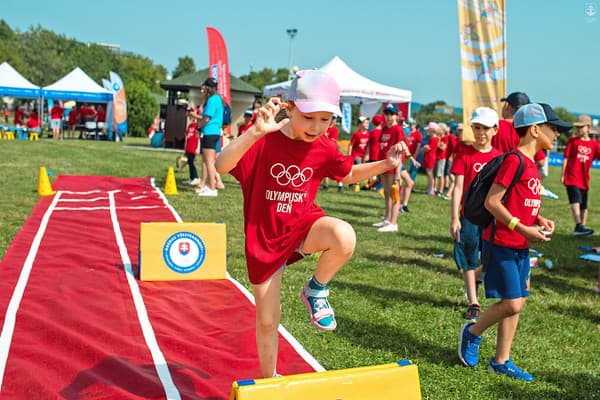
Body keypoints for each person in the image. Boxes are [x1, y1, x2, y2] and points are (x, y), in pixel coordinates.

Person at [215, 69, 403, 378]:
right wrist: (254, 133)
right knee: (267, 321)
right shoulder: (264, 139)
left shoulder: (325, 146)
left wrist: (387, 164)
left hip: (303, 227)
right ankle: (269, 380)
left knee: (344, 236)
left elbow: (348, 174)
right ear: (288, 108)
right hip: (265, 240)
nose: (317, 127)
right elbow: (222, 165)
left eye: (325, 119)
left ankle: (315, 290)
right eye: (309, 117)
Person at [458, 103, 570, 382]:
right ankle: (471, 333)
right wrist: (521, 227)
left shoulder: (531, 164)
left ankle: (501, 360)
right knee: (513, 303)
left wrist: (539, 219)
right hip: (503, 242)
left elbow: (518, 201)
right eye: (553, 128)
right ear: (534, 130)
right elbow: (492, 202)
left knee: (518, 299)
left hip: (520, 243)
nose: (557, 134)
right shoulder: (515, 160)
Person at [450, 107, 502, 322]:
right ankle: (474, 301)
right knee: (468, 256)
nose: (481, 133)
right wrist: (455, 218)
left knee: (489, 259)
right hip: (469, 216)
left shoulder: (500, 158)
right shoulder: (465, 155)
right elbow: (458, 188)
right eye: (477, 127)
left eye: (486, 128)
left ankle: (475, 283)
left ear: (495, 130)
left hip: (491, 217)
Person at [561, 114, 600, 236]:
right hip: (572, 177)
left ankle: (582, 227)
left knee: (584, 204)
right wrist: (563, 174)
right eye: (577, 127)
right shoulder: (572, 141)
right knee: (575, 200)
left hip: (584, 179)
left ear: (588, 128)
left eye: (581, 127)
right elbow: (566, 158)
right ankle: (578, 225)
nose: (578, 129)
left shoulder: (594, 145)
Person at [189, 78, 224, 197]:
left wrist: (196, 121)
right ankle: (205, 185)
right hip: (211, 132)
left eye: (204, 87)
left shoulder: (213, 100)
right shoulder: (215, 99)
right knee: (206, 161)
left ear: (208, 88)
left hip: (210, 132)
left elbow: (207, 118)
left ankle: (212, 188)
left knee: (209, 162)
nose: (202, 89)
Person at [373, 103, 404, 232]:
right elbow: (382, 148)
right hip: (384, 166)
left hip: (393, 167)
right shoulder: (384, 129)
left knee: (394, 195)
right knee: (386, 194)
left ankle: (393, 222)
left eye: (391, 114)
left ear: (396, 115)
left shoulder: (398, 130)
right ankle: (387, 219)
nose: (389, 116)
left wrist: (398, 172)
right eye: (387, 114)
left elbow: (400, 151)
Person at [320, 115, 344, 192]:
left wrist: (325, 137)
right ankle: (325, 185)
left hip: (331, 152)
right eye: (331, 118)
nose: (332, 120)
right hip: (323, 150)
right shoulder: (323, 127)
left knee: (335, 169)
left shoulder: (334, 129)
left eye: (334, 118)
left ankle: (340, 184)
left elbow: (332, 141)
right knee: (324, 168)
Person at [184, 107, 201, 186]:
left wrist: (197, 148)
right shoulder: (190, 125)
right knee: (190, 163)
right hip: (188, 147)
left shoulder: (197, 126)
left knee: (192, 163)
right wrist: (185, 149)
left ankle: (196, 177)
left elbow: (198, 137)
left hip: (193, 148)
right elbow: (187, 137)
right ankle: (191, 178)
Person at [421, 122, 439, 196]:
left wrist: (424, 147)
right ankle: (429, 189)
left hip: (430, 158)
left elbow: (427, 148)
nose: (427, 131)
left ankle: (431, 190)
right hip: (428, 157)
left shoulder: (434, 139)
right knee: (429, 174)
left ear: (432, 130)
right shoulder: (431, 138)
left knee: (430, 174)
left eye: (429, 130)